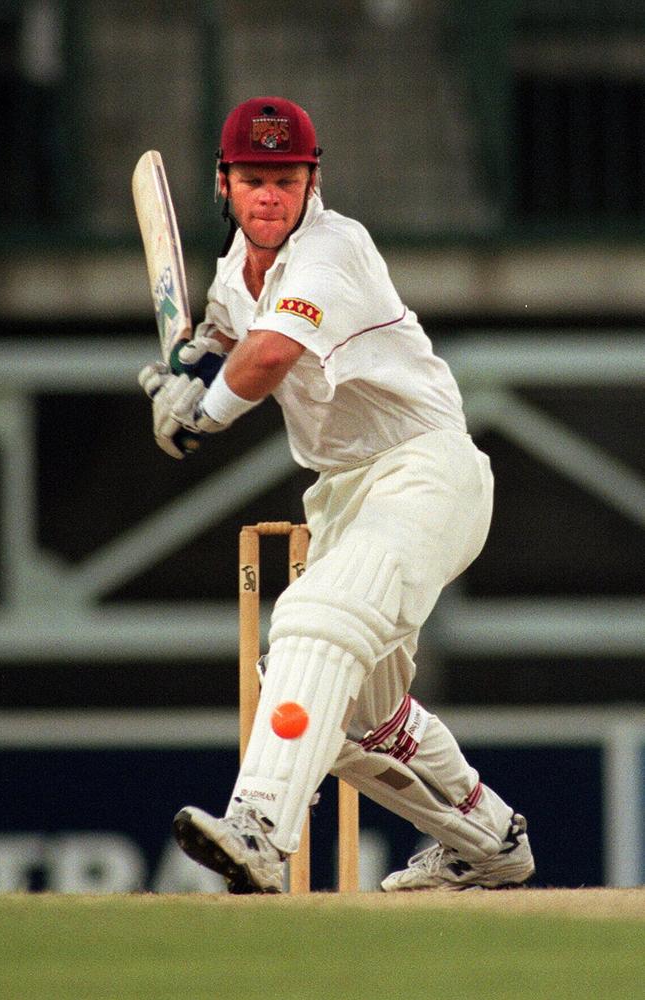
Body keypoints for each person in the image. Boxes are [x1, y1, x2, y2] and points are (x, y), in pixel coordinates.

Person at [139, 96, 535, 893]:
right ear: (224, 183)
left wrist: (199, 415)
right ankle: (488, 838)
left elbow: (271, 354)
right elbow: (225, 332)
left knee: (313, 621)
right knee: (354, 716)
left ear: (311, 181)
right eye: (254, 179)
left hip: (426, 473)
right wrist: (187, 364)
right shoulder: (236, 270)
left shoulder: (332, 248)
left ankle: (259, 827)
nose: (270, 197)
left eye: (286, 180)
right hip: (345, 494)